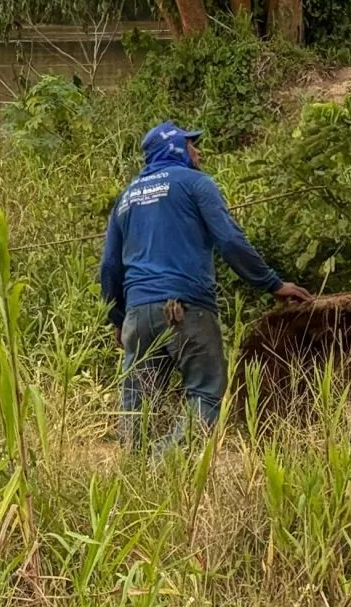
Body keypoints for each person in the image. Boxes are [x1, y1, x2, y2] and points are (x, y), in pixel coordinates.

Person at [100, 120, 311, 447]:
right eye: (190, 145)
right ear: (173, 148)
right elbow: (230, 240)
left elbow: (110, 265)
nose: (197, 151)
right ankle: (161, 465)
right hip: (185, 310)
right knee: (206, 393)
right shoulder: (195, 183)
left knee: (137, 403)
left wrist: (117, 318)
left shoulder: (126, 199)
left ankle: (135, 476)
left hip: (137, 315)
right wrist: (272, 284)